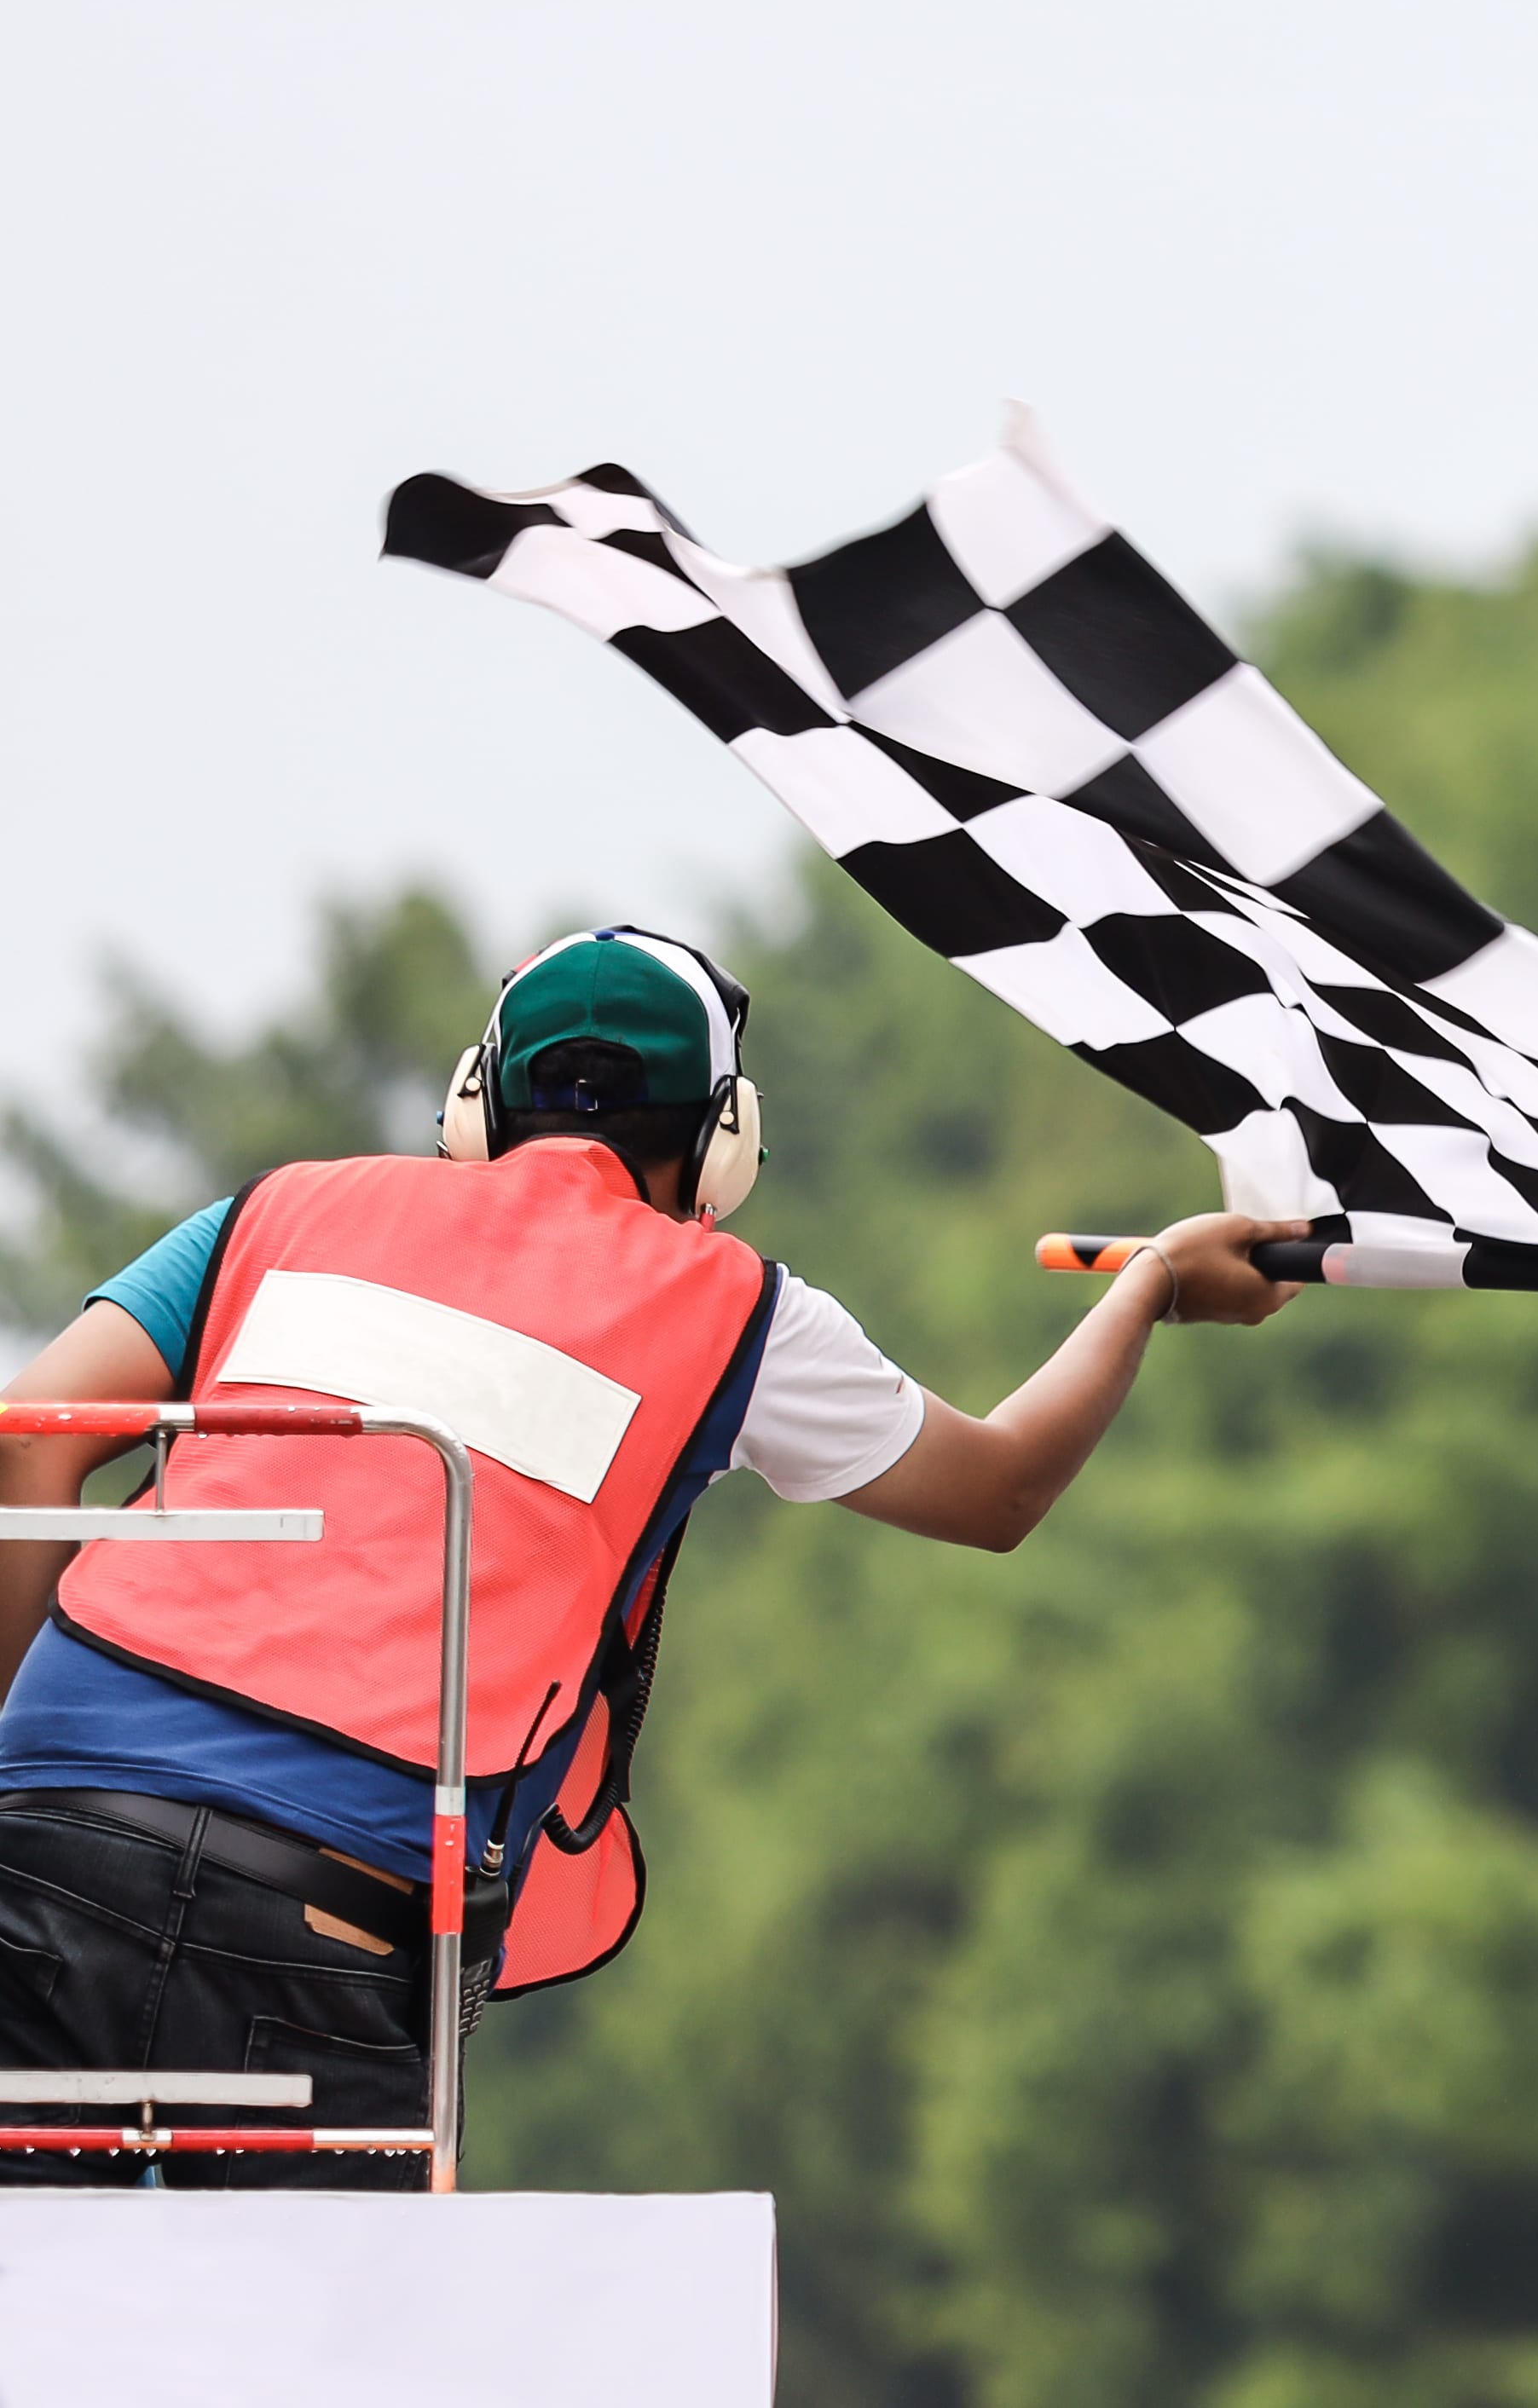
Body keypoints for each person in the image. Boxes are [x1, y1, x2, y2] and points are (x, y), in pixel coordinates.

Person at [0, 927, 1291, 2186]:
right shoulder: (740, 1306)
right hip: (329, 1922)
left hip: (43, 1852)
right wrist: (1154, 1284)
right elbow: (1002, 1483)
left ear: (475, 1100)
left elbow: (30, 1449)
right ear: (722, 1139)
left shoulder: (275, 1211)